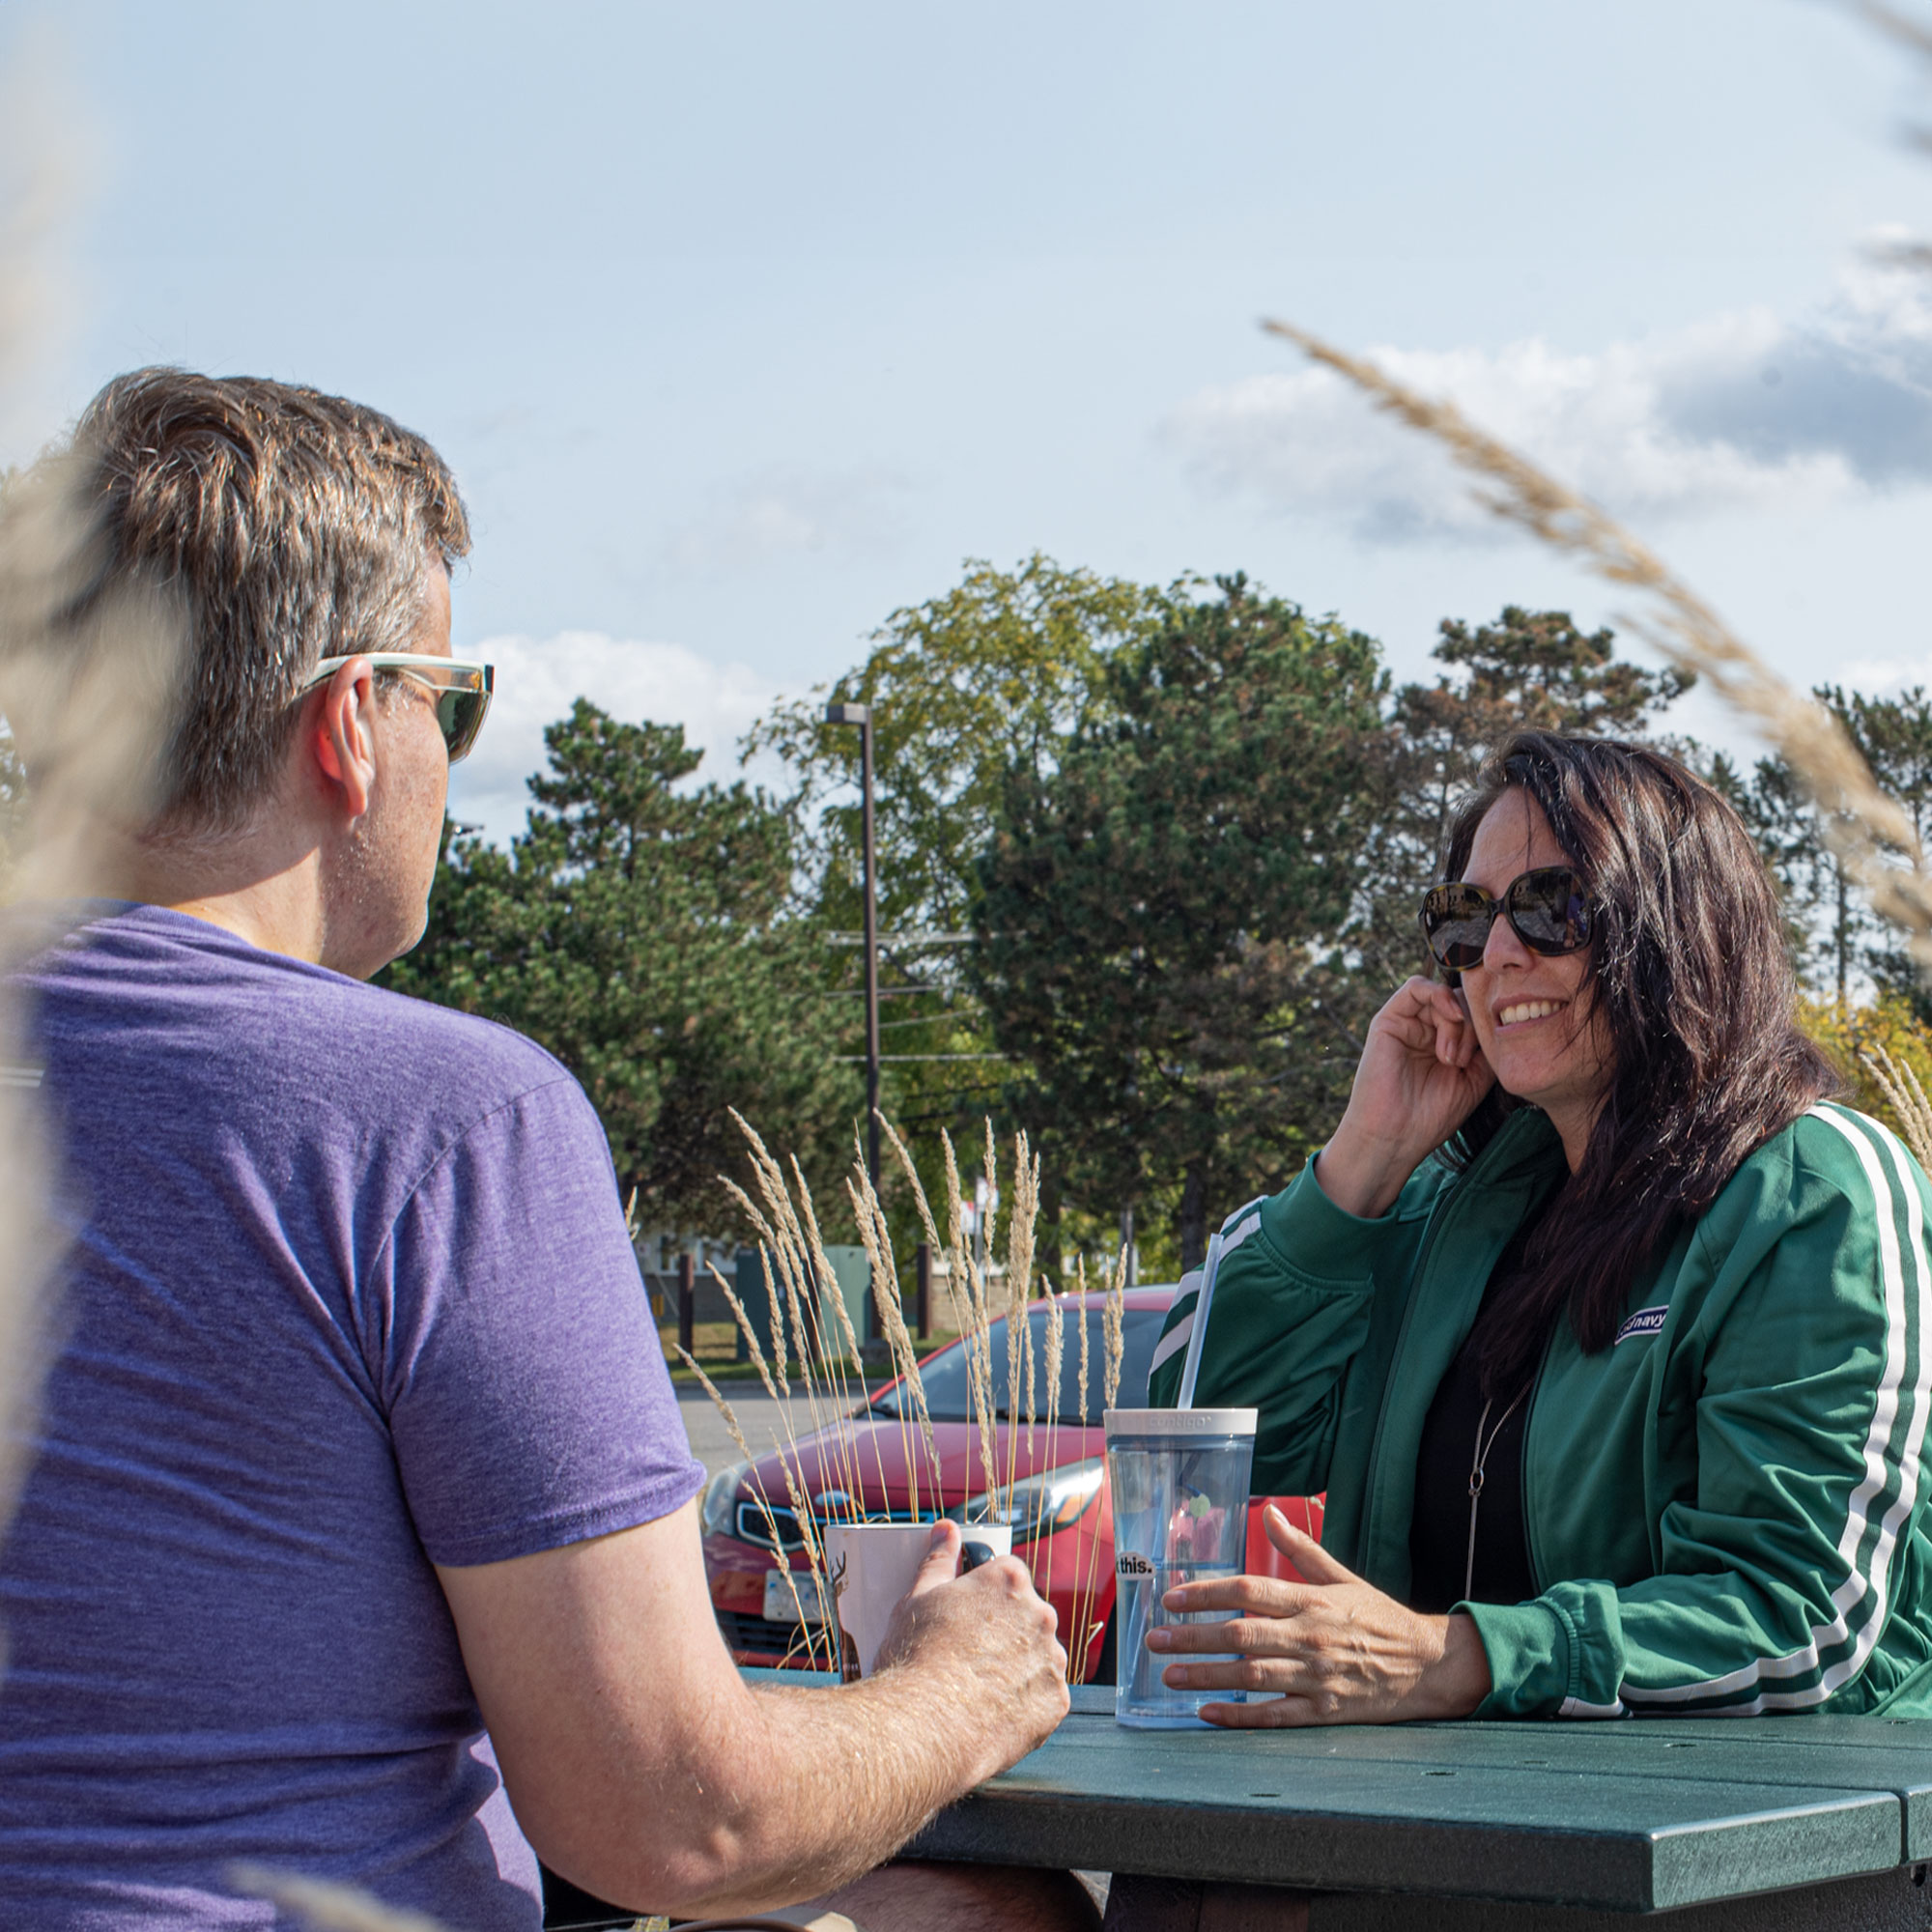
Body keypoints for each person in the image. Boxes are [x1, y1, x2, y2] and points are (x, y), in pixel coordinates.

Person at [0, 369, 1089, 1931]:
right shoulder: (436, 1124)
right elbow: (683, 1822)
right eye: (455, 700)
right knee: (990, 1913)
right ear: (346, 729)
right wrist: (964, 1685)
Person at [1147, 731, 1932, 1725]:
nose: (1497, 953)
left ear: (1677, 926)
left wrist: (1464, 1656)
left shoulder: (1809, 1191)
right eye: (1462, 918)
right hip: (1429, 1815)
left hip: (1745, 1851)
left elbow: (1803, 1617)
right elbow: (1190, 1452)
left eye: (1551, 907)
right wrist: (1362, 1161)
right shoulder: (1436, 1211)